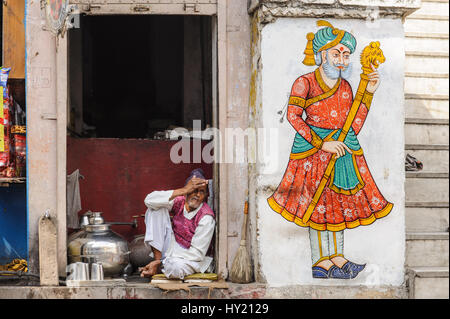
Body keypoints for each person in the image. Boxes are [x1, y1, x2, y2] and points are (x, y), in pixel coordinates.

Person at [267, 20, 393, 279]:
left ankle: (338, 257)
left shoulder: (346, 87)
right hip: (313, 151)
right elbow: (293, 116)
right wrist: (321, 143)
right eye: (336, 54)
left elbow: (353, 125)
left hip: (342, 149)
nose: (341, 60)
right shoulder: (305, 82)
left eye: (346, 55)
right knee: (316, 205)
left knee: (338, 204)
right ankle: (321, 261)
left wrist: (367, 93)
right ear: (322, 53)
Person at [140, 168, 215, 279]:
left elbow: (197, 254)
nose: (197, 195)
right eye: (194, 190)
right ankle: (158, 262)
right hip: (170, 252)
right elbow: (149, 200)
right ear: (186, 192)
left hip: (188, 258)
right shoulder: (180, 201)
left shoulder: (206, 217)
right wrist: (183, 190)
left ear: (205, 195)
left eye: (202, 191)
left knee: (175, 267)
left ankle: (159, 266)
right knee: (154, 210)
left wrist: (163, 261)